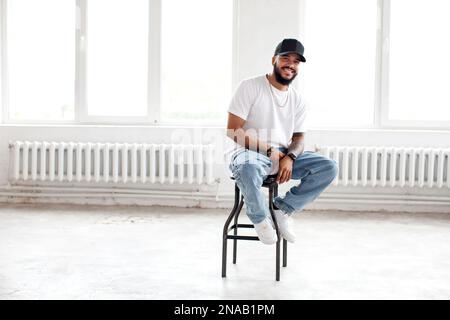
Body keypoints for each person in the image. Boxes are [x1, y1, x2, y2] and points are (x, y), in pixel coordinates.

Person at [226, 38, 338, 245]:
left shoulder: (298, 99)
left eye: (296, 61)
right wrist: (270, 151)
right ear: (274, 60)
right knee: (248, 168)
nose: (290, 64)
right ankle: (260, 219)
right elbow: (234, 131)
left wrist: (290, 157)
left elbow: (299, 138)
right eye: (286, 58)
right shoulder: (250, 86)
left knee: (329, 167)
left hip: (282, 153)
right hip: (250, 151)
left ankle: (281, 210)